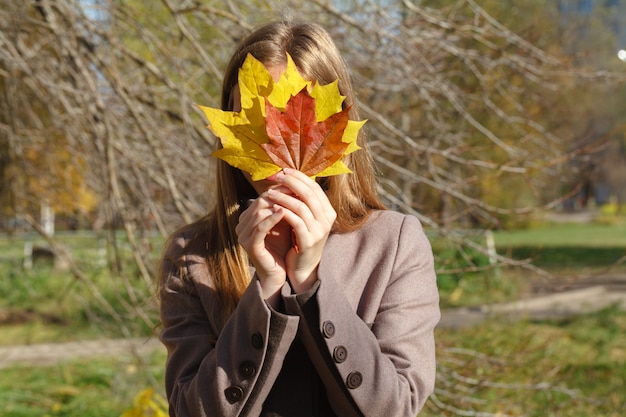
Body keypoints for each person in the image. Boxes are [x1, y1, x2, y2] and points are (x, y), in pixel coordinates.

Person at [157, 20, 440, 417]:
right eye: (256, 118)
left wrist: (310, 284)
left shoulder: (394, 244)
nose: (275, 143)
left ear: (335, 125)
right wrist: (268, 290)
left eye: (289, 117)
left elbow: (395, 408)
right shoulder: (193, 256)